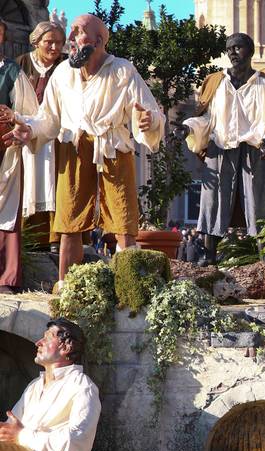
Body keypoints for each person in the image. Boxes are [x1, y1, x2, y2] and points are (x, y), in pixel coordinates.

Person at [2, 14, 165, 291]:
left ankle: (131, 289)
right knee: (69, 222)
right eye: (73, 33)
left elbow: (149, 110)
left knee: (124, 222)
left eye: (79, 32)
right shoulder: (63, 73)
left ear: (99, 40)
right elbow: (48, 119)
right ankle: (68, 287)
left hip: (113, 148)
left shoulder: (123, 70)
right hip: (72, 148)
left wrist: (149, 121)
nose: (72, 39)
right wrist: (28, 127)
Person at [178, 33, 265, 265]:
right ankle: (209, 258)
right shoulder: (217, 83)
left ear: (250, 51)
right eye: (229, 49)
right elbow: (206, 119)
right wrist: (188, 128)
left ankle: (264, 259)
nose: (233, 53)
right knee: (212, 202)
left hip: (254, 151)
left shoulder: (263, 84)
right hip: (221, 149)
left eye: (238, 48)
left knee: (259, 204)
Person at [0, 319, 100, 451]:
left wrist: (23, 435)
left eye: (47, 338)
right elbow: (10, 430)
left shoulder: (83, 387)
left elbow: (77, 443)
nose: (38, 343)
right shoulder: (34, 387)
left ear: (66, 347)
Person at [17, 19, 66, 252]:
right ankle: (28, 237)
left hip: (58, 136)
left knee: (57, 184)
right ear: (36, 41)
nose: (55, 48)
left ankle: (56, 238)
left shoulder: (67, 68)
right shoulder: (19, 65)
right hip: (25, 135)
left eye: (59, 43)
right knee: (27, 184)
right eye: (49, 42)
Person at [0, 19, 38, 294]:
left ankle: (6, 278)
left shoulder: (11, 71)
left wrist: (16, 125)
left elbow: (30, 114)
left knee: (5, 212)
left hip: (4, 149)